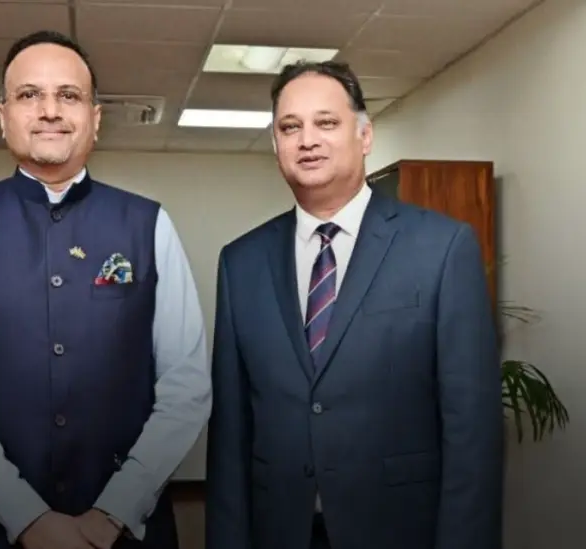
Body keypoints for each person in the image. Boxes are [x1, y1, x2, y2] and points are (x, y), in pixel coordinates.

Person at [0, 30, 210, 549]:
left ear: (95, 117)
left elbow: (186, 386)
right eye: (29, 95)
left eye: (68, 95)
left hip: (126, 531)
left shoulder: (149, 224)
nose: (50, 110)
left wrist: (114, 512)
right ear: (3, 116)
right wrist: (27, 516)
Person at [205, 60, 503, 549]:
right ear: (276, 145)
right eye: (290, 127)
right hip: (278, 530)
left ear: (364, 136)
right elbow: (230, 435)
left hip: (399, 530)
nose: (307, 140)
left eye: (326, 122)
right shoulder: (240, 263)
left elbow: (473, 432)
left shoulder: (442, 248)